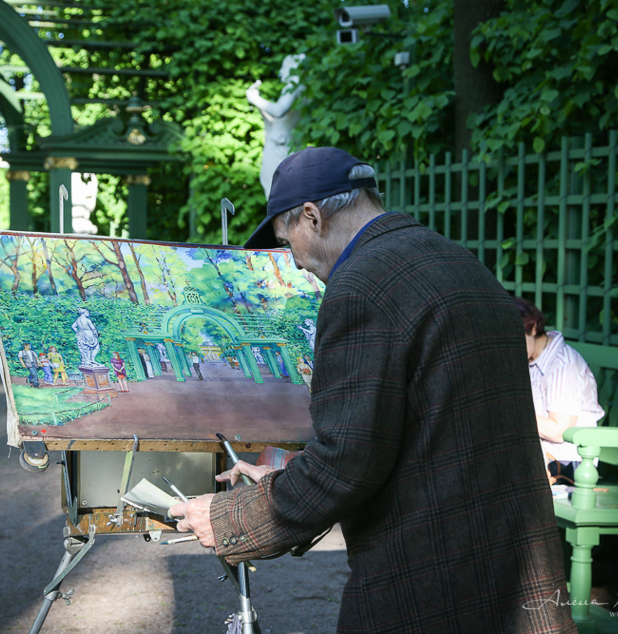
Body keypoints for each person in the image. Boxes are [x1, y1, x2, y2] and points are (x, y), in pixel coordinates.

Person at [169, 147, 575, 633]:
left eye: (286, 241)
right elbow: (428, 426)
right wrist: (286, 472)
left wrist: (228, 518)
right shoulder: (462, 262)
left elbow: (347, 463)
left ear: (311, 217)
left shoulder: (361, 286)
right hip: (516, 571)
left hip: (428, 579)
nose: (294, 263)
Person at [513, 297, 605, 485]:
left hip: (571, 463)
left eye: (516, 339)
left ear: (533, 328)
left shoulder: (564, 364)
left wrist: (508, 412)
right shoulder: (527, 359)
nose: (511, 348)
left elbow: (559, 431)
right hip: (534, 456)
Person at [246, 54, 306, 198]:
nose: (281, 72)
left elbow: (278, 111)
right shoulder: (301, 89)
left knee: (276, 189)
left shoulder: (294, 87)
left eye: (284, 67)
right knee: (278, 189)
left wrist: (254, 98)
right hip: (283, 143)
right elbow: (277, 120)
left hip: (280, 144)